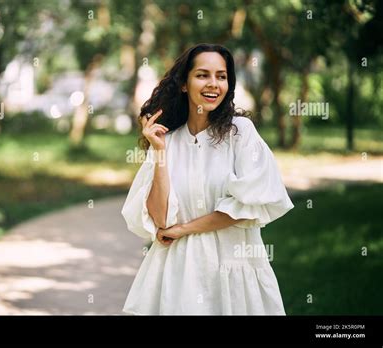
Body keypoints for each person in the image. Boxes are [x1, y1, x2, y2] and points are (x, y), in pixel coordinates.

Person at [121, 43, 294, 315]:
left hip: (233, 269)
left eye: (221, 76)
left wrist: (183, 229)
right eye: (202, 75)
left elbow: (245, 207)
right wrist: (160, 152)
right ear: (184, 84)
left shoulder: (240, 133)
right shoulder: (168, 140)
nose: (213, 84)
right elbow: (161, 219)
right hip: (178, 272)